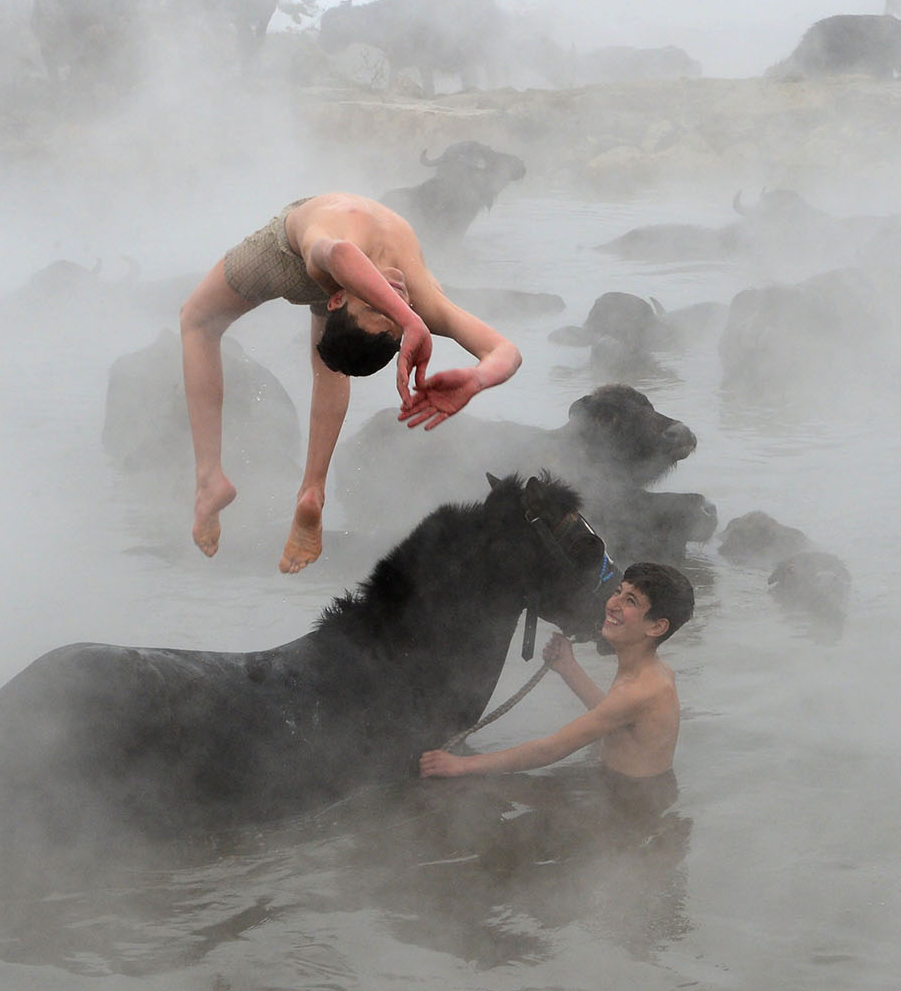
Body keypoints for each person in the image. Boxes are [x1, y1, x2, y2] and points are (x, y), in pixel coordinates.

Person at [180, 192, 523, 573]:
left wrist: (477, 379)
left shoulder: (348, 275)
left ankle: (213, 479)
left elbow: (341, 254)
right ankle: (310, 489)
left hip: (294, 259)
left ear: (337, 299)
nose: (394, 296)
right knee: (325, 358)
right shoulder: (417, 301)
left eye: (381, 307)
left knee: (196, 321)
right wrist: (411, 318)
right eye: (388, 310)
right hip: (315, 265)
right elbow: (506, 350)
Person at [419, 563, 693, 801]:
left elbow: (551, 749)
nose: (613, 604)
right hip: (640, 787)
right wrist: (569, 668)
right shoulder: (651, 672)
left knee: (489, 792)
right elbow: (615, 720)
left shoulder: (640, 691)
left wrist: (461, 765)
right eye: (617, 591)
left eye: (631, 601)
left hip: (630, 801)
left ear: (656, 626)